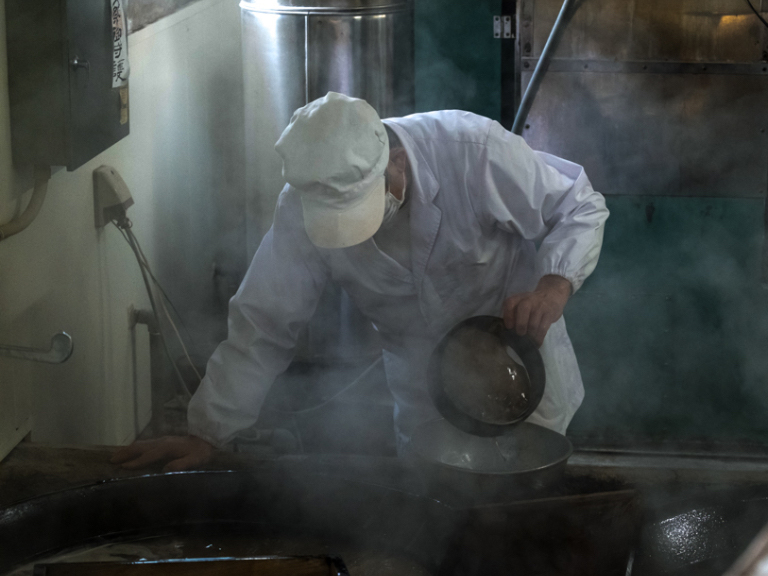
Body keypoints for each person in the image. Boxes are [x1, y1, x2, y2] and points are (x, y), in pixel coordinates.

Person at [112, 92, 609, 472]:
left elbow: (579, 205)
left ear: (394, 157)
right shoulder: (301, 205)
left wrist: (554, 285)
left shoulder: (471, 151)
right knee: (436, 529)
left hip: (519, 373)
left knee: (525, 523)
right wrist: (208, 433)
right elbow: (264, 323)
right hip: (425, 396)